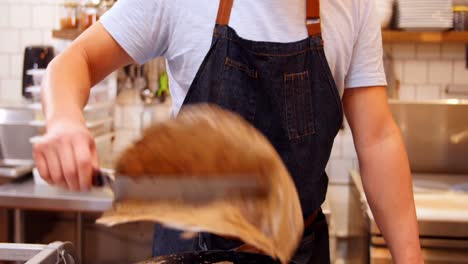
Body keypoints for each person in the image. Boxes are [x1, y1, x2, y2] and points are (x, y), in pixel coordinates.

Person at [34, 0, 424, 263]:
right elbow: (74, 61)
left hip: (299, 250)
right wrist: (65, 119)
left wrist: (410, 258)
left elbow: (377, 139)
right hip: (193, 249)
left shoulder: (352, 6)